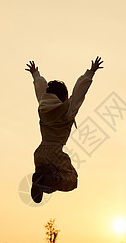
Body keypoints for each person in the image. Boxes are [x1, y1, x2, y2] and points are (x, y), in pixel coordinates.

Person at [25, 56, 104, 203]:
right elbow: (80, 92)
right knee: (71, 180)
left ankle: (42, 182)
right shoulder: (67, 109)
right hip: (54, 152)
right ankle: (48, 180)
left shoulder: (43, 107)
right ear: (64, 97)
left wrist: (35, 75)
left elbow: (40, 91)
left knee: (49, 182)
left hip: (40, 153)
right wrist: (90, 73)